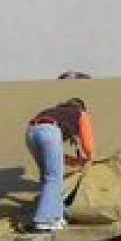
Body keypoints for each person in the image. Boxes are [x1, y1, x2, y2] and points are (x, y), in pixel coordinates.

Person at [24, 96, 95, 233]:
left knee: (48, 177)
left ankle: (56, 217)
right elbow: (88, 144)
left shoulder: (56, 112)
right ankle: (43, 221)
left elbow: (56, 158)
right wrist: (91, 158)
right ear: (81, 107)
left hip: (30, 133)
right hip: (50, 131)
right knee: (54, 178)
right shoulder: (79, 112)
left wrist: (76, 161)